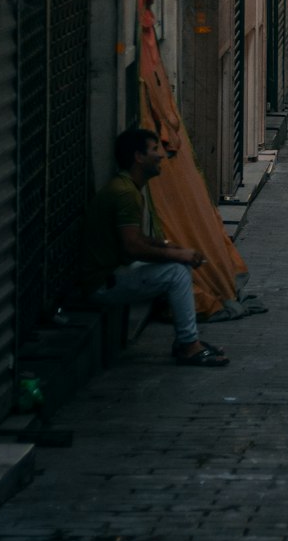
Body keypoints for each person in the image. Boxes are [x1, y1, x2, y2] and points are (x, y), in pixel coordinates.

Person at [79, 128, 229, 368]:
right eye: (155, 149)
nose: (161, 155)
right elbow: (132, 246)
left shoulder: (127, 188)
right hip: (103, 281)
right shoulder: (126, 194)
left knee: (179, 266)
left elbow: (136, 239)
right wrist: (177, 254)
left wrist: (170, 247)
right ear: (138, 157)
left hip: (113, 272)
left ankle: (186, 340)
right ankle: (189, 345)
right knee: (177, 273)